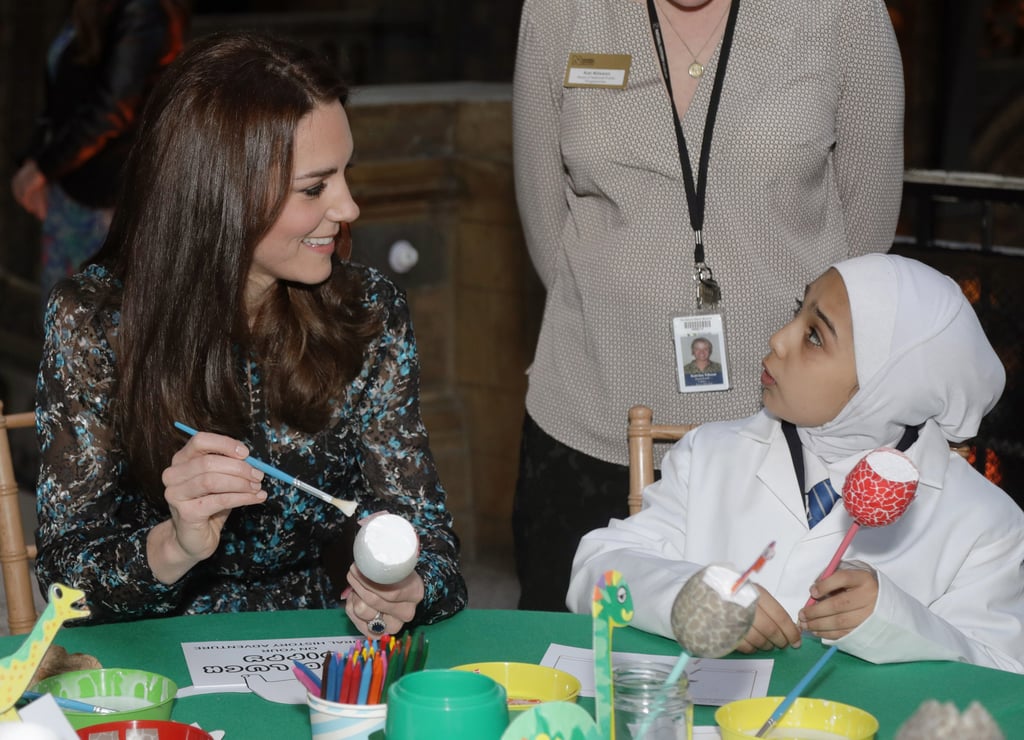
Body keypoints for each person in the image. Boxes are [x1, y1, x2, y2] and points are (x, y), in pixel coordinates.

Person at [33, 31, 468, 635]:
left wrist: (408, 585)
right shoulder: (97, 322)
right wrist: (174, 545)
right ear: (222, 195)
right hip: (155, 649)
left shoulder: (367, 310)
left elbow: (429, 536)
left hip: (321, 642)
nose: (348, 207)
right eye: (315, 187)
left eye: (346, 174)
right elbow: (64, 585)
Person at [512, 0, 905, 610]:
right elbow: (544, 222)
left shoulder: (843, 14)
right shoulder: (561, 12)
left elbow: (865, 241)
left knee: (770, 672)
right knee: (579, 673)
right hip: (589, 418)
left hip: (779, 437)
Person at [567, 254, 1024, 673]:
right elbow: (595, 573)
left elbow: (1002, 678)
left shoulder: (985, 524)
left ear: (888, 388)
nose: (779, 339)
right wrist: (682, 595)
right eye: (797, 311)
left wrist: (896, 623)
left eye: (814, 336)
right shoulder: (711, 454)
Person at [10, 0, 190, 309]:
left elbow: (112, 109)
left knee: (98, 322)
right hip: (70, 189)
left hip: (107, 198)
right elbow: (60, 104)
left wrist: (42, 168)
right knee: (62, 318)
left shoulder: (142, 12)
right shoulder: (90, 9)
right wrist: (35, 161)